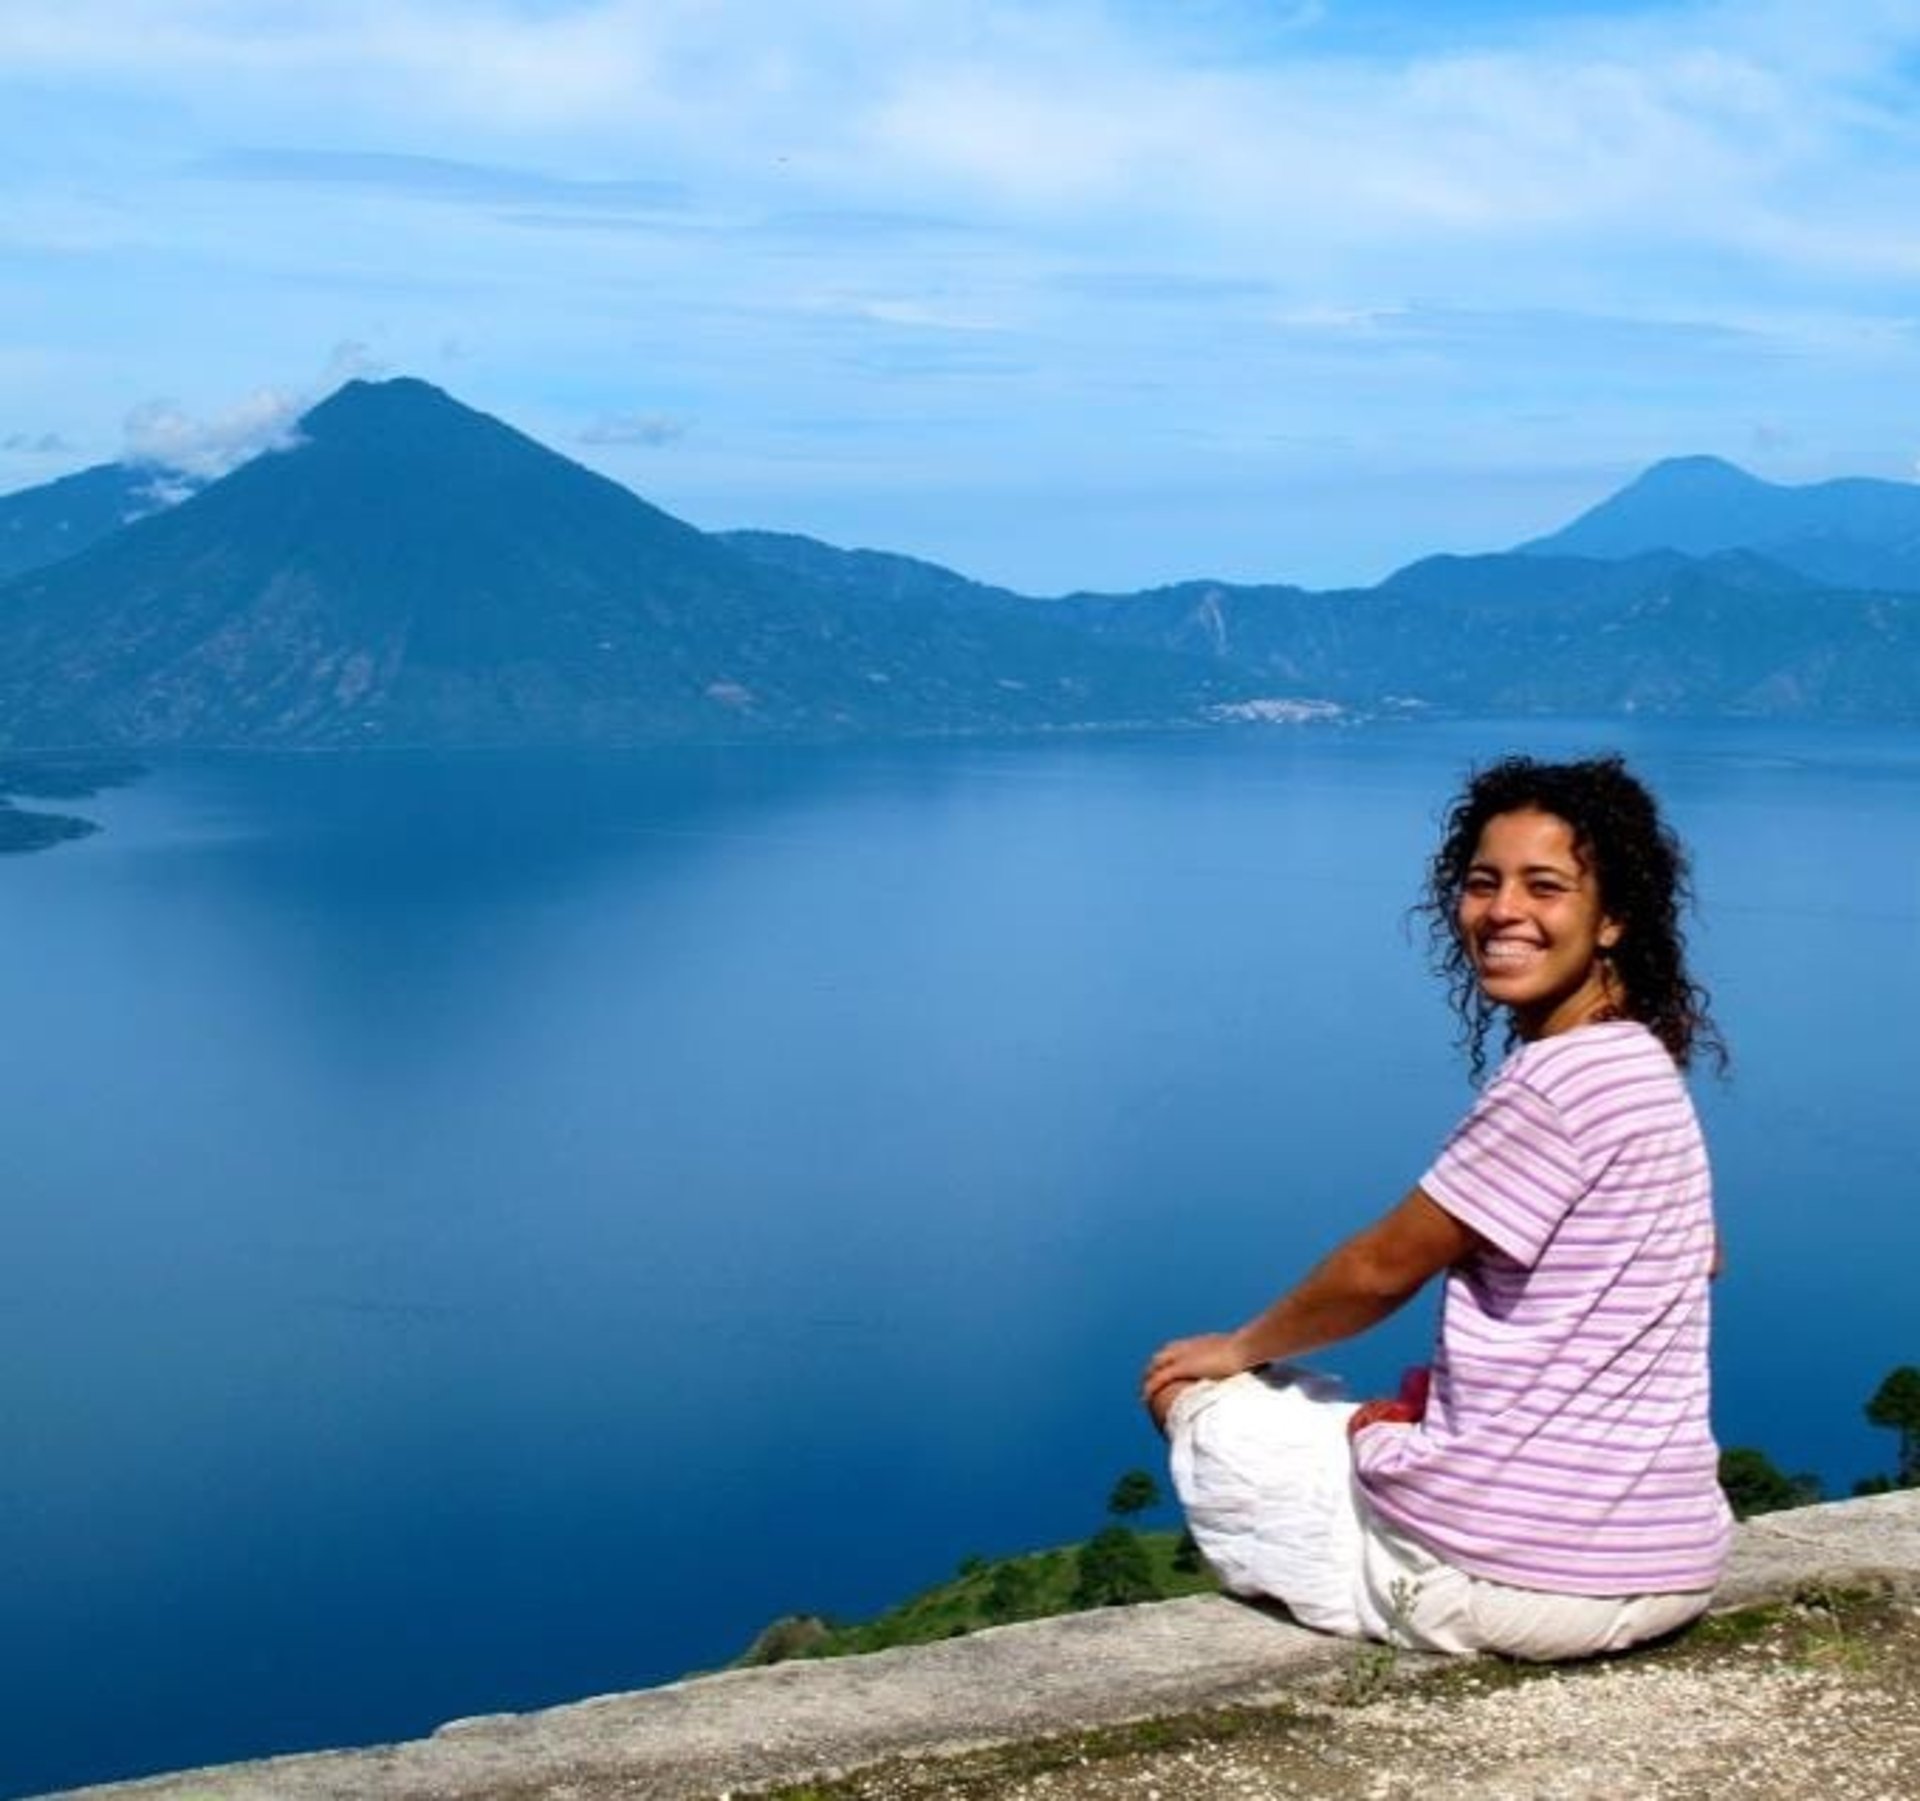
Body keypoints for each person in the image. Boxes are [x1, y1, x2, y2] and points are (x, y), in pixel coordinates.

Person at [1141, 755, 1731, 1661]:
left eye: (1546, 886)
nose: (1503, 912)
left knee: (1200, 1395)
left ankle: (1389, 1554)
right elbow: (1706, 1253)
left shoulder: (1557, 1084)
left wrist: (1237, 1347)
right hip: (1672, 1554)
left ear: (1613, 918)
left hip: (1525, 1583)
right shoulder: (1641, 1066)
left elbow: (1381, 1268)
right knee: (1365, 1414)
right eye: (1483, 883)